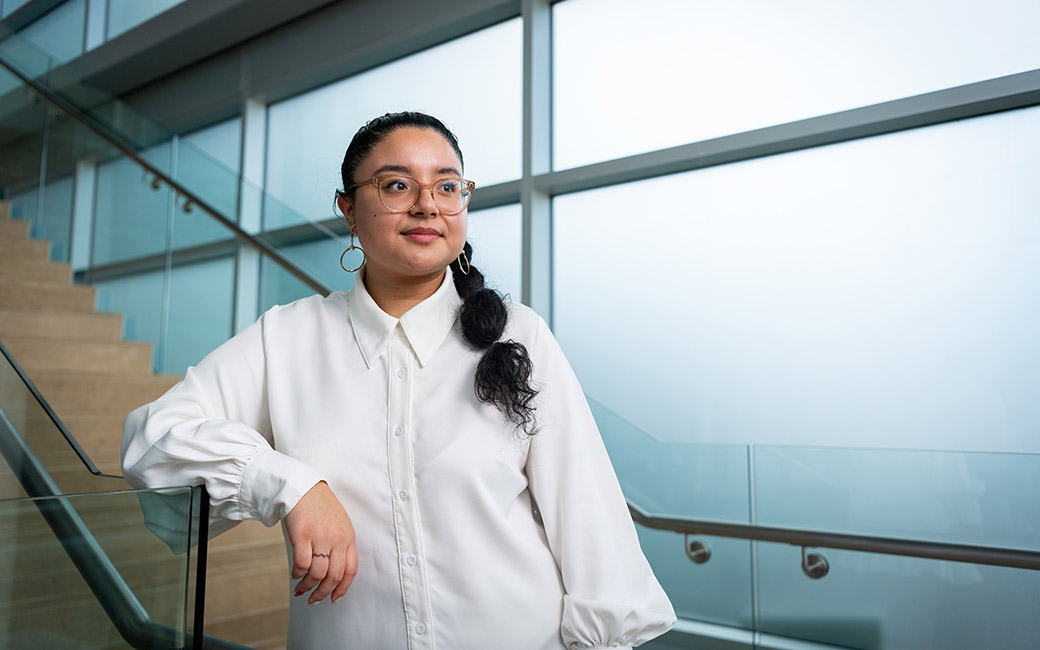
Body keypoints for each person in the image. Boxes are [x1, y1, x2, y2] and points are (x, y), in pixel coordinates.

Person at [122, 111, 675, 649]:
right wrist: (291, 487)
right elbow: (155, 438)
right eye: (396, 185)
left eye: (447, 186)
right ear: (349, 209)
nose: (426, 205)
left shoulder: (519, 333)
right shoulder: (286, 337)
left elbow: (587, 515)